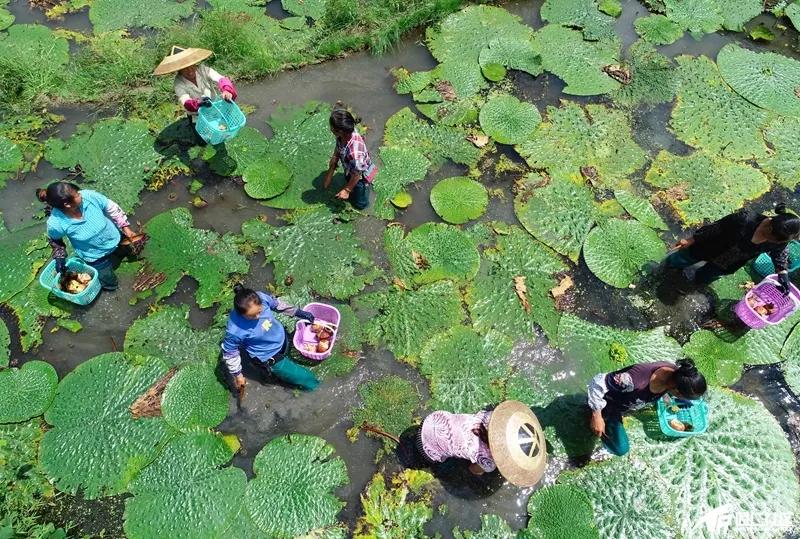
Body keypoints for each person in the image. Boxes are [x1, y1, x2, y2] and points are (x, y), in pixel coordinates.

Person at [587, 359, 707, 456]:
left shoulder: (678, 374)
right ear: (677, 390)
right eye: (683, 396)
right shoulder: (633, 381)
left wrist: (668, 401)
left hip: (631, 402)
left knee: (685, 403)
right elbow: (597, 382)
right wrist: (596, 415)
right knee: (621, 449)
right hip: (610, 405)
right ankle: (600, 434)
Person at [666, 205, 800, 290]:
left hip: (728, 263)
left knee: (704, 277)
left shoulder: (779, 240)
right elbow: (716, 228)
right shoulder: (745, 219)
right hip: (709, 247)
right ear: (771, 226)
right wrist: (690, 239)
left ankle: (690, 285)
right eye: (773, 239)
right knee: (680, 259)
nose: (773, 242)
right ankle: (667, 267)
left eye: (778, 242)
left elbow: (780, 252)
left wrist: (782, 272)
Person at [43, 182, 143, 291]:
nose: (81, 194)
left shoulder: (89, 197)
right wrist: (60, 258)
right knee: (108, 281)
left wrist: (125, 228)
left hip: (114, 239)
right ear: (67, 204)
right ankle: (114, 289)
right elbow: (54, 240)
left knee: (130, 253)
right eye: (76, 195)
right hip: (94, 255)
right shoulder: (56, 223)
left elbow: (112, 208)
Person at [221, 284, 320, 394]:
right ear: (241, 314)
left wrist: (298, 312)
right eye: (252, 316)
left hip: (281, 338)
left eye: (259, 311)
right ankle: (319, 391)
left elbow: (277, 305)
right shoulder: (235, 330)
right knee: (306, 379)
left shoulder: (261, 298)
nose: (258, 317)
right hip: (269, 356)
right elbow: (230, 353)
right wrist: (238, 375)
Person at [153, 46, 237, 121]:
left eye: (191, 66)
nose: (190, 72)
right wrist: (199, 103)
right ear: (179, 70)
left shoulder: (203, 70)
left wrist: (226, 90)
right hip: (196, 115)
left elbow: (221, 79)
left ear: (194, 63)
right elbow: (186, 102)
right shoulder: (178, 83)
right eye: (185, 69)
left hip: (215, 108)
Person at [322, 108, 377, 210]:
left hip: (360, 176)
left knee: (360, 203)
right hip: (350, 168)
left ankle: (361, 197)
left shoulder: (355, 154)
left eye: (332, 128)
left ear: (340, 131)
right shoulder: (344, 133)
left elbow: (357, 174)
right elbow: (339, 145)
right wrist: (335, 157)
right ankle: (351, 187)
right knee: (349, 179)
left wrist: (347, 190)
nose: (330, 129)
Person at [416, 410, 497, 476]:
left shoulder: (491, 416)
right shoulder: (488, 461)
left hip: (432, 420)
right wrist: (482, 469)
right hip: (427, 448)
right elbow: (473, 470)